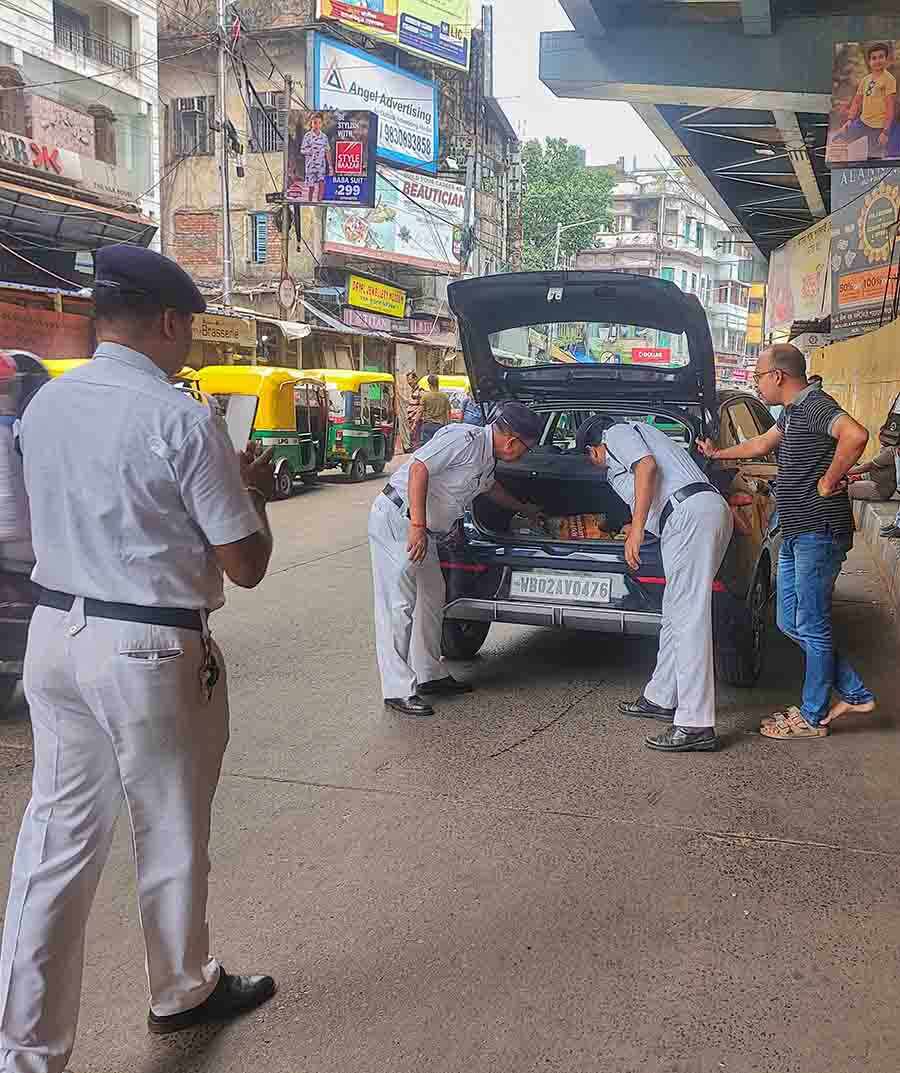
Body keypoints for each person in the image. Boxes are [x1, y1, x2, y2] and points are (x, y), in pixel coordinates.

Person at [0, 245, 279, 1073]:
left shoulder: (44, 406)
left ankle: (24, 1051)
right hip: (149, 647)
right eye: (187, 327)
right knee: (171, 825)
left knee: (54, 845)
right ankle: (183, 988)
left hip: (54, 638)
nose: (188, 343)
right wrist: (251, 485)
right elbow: (246, 563)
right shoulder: (181, 416)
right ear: (165, 321)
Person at [698, 343, 875, 740]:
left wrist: (829, 481)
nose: (757, 383)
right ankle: (854, 692)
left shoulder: (815, 405)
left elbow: (856, 435)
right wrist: (719, 453)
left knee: (811, 623)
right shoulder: (792, 412)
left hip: (818, 531)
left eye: (759, 376)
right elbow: (761, 444)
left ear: (778, 375)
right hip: (797, 530)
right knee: (790, 620)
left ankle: (814, 717)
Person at [369, 403, 544, 716]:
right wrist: (418, 526)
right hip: (400, 522)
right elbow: (419, 467)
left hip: (425, 531)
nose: (524, 456)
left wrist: (524, 508)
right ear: (511, 441)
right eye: (526, 449)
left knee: (432, 598)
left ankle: (428, 675)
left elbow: (490, 489)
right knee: (398, 605)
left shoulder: (487, 457)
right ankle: (397, 690)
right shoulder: (463, 439)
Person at [578, 418, 733, 753]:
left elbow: (646, 468)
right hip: (694, 515)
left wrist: (634, 531)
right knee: (676, 613)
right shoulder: (647, 438)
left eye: (590, 457)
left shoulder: (617, 433)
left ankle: (695, 724)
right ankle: (660, 697)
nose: (594, 464)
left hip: (689, 516)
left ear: (593, 448)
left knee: (689, 617)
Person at [833, 42, 896, 159]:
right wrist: (850, 120)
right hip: (862, 122)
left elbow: (890, 107)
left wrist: (885, 132)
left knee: (873, 158)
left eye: (881, 57)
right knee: (839, 141)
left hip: (878, 127)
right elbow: (857, 101)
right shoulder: (865, 80)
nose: (877, 61)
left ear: (886, 59)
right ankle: (841, 166)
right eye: (874, 58)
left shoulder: (889, 80)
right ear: (869, 61)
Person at [847, 432, 898, 502]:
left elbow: (869, 466)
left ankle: (844, 512)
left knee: (846, 489)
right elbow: (877, 470)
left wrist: (845, 472)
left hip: (880, 490)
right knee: (845, 485)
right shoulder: (886, 448)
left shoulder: (890, 451)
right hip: (879, 486)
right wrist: (859, 477)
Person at [299, 112, 332, 188]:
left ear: (322, 124)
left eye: (319, 123)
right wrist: (310, 151)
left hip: (321, 166)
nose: (317, 125)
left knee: (321, 184)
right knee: (311, 188)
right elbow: (302, 150)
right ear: (311, 123)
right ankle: (310, 200)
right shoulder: (307, 136)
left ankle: (319, 200)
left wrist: (330, 166)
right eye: (315, 123)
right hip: (310, 166)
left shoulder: (324, 137)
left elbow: (327, 151)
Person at [419, 373, 451, 444]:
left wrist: (414, 423)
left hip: (428, 425)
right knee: (438, 447)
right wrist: (448, 425)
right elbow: (448, 412)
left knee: (427, 448)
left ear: (429, 384)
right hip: (440, 427)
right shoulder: (444, 396)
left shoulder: (425, 396)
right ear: (438, 383)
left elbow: (420, 411)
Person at [400, 369, 422, 453]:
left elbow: (421, 408)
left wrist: (415, 422)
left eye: (410, 380)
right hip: (411, 421)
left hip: (415, 422)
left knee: (415, 443)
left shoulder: (420, 391)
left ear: (415, 379)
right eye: (408, 381)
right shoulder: (413, 391)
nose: (409, 383)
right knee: (413, 442)